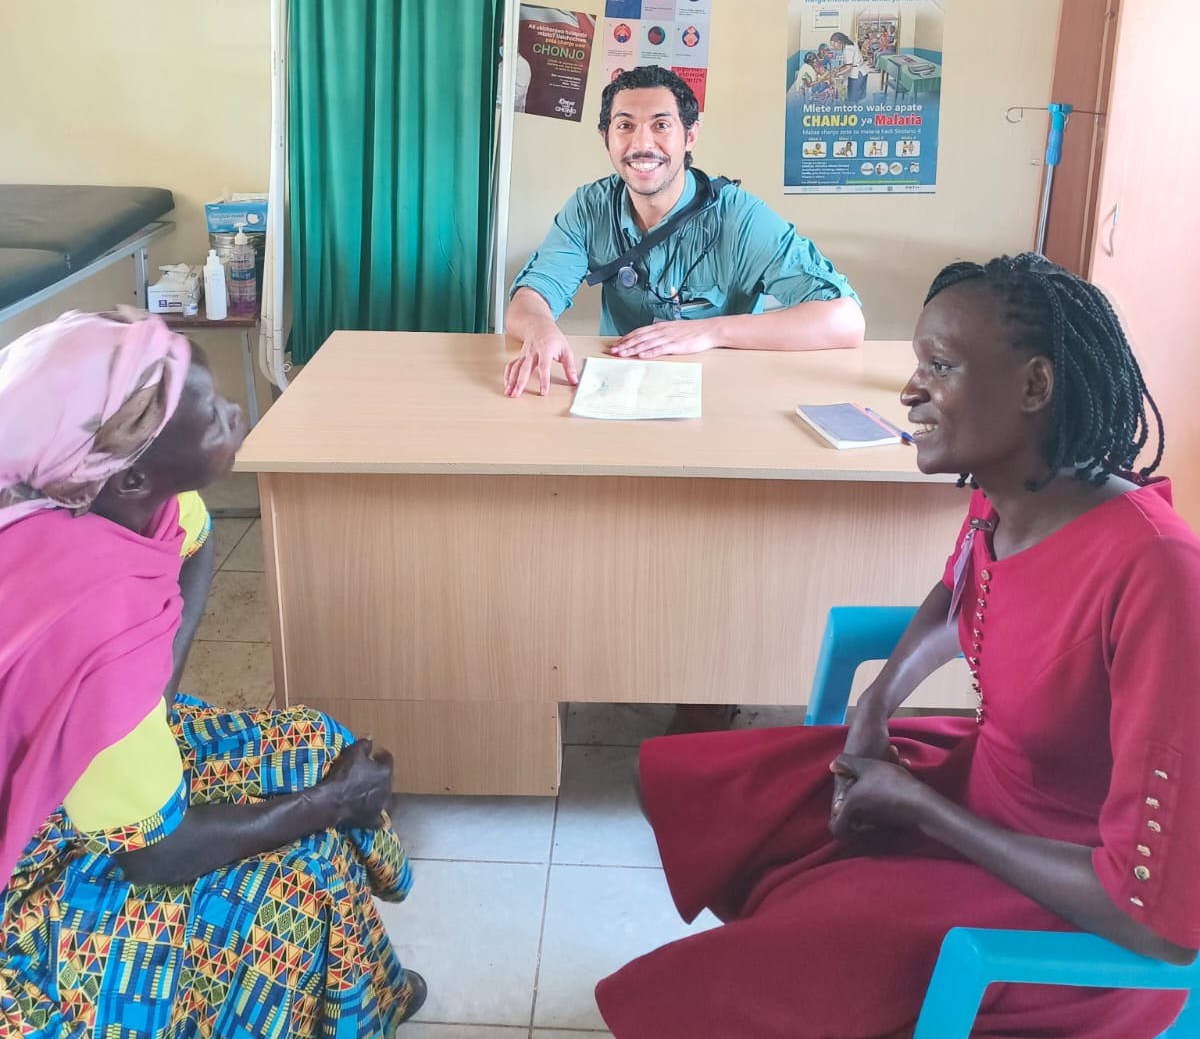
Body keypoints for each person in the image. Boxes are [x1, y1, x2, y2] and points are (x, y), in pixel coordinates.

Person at [595, 253, 1200, 1038]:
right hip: (980, 785)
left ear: (1034, 386)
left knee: (710, 989)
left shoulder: (1158, 574)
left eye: (939, 367)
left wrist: (921, 808)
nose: (912, 391)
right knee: (692, 788)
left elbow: (1153, 924)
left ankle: (819, 969)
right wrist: (877, 704)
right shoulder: (1017, 489)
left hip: (1063, 903)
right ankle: (813, 967)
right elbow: (962, 594)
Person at [0, 309, 426, 1035]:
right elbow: (158, 855)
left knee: (314, 741)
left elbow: (192, 543)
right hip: (29, 875)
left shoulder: (120, 496)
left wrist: (153, 683)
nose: (234, 411)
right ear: (134, 473)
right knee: (298, 874)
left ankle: (367, 989)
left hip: (88, 766)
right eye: (211, 414)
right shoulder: (87, 621)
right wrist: (329, 803)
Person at [504, 64, 863, 400]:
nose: (642, 144)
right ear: (606, 137)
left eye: (661, 125)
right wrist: (539, 327)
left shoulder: (740, 217)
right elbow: (531, 299)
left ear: (690, 136)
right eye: (625, 126)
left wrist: (712, 331)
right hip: (619, 390)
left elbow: (845, 320)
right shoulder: (589, 208)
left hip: (725, 393)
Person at [830, 27, 869, 102]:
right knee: (855, 96)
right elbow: (847, 63)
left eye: (834, 45)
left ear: (839, 42)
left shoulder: (848, 49)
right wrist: (838, 68)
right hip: (859, 71)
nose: (834, 47)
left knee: (853, 98)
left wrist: (836, 74)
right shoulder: (848, 44)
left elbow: (848, 68)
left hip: (857, 73)